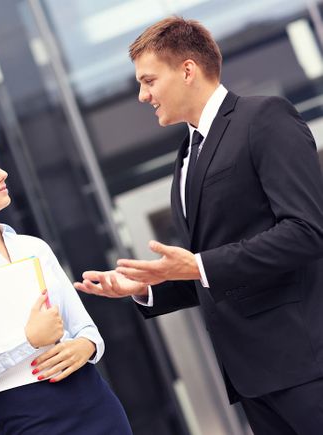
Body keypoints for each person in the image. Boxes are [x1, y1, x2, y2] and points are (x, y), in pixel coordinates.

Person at [74, 17, 323, 435]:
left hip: (306, 365)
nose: (142, 95)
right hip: (253, 379)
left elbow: (307, 231)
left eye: (149, 80)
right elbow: (218, 269)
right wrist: (149, 287)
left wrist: (197, 266)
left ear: (187, 70)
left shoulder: (263, 119)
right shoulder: (186, 155)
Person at [0, 131, 132, 435]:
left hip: (95, 402)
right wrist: (27, 341)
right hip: (29, 421)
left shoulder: (34, 248)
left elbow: (87, 331)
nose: (1, 173)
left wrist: (86, 346)